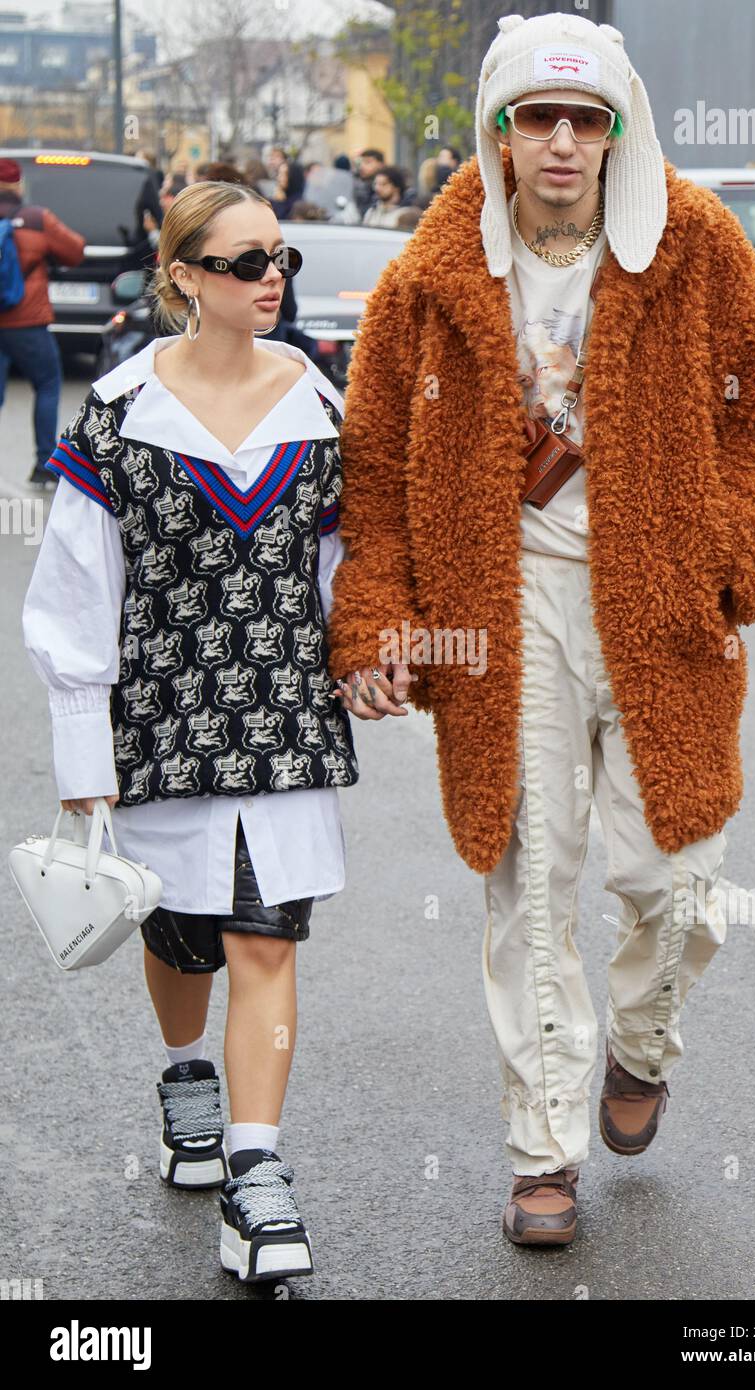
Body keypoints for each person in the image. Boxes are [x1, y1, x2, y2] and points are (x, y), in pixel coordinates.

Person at [325, 12, 755, 1248]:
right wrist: (379, 614)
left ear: (614, 128)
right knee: (528, 878)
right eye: (533, 117)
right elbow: (373, 465)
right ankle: (540, 1150)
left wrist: (730, 555)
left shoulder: (692, 246)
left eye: (582, 119)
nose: (558, 142)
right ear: (496, 128)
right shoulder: (431, 276)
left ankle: (642, 1044)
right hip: (501, 611)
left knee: (674, 882)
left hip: (660, 601)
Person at [21, 180, 359, 1283]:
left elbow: (338, 565)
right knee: (181, 937)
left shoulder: (315, 399)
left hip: (282, 716)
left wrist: (373, 649)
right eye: (247, 261)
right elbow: (75, 591)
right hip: (160, 720)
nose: (273, 279)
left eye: (281, 259)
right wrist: (83, 753)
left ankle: (255, 1179)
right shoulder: (118, 415)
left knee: (265, 935)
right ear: (184, 278)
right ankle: (185, 1078)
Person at [0, 157, 85, 489]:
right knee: (48, 384)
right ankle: (43, 464)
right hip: (26, 322)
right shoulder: (36, 219)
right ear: (19, 185)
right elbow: (75, 251)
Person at [353, 148, 385, 217]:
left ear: (380, 165)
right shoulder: (355, 182)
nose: (362, 166)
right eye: (361, 163)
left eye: (367, 162)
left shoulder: (387, 187)